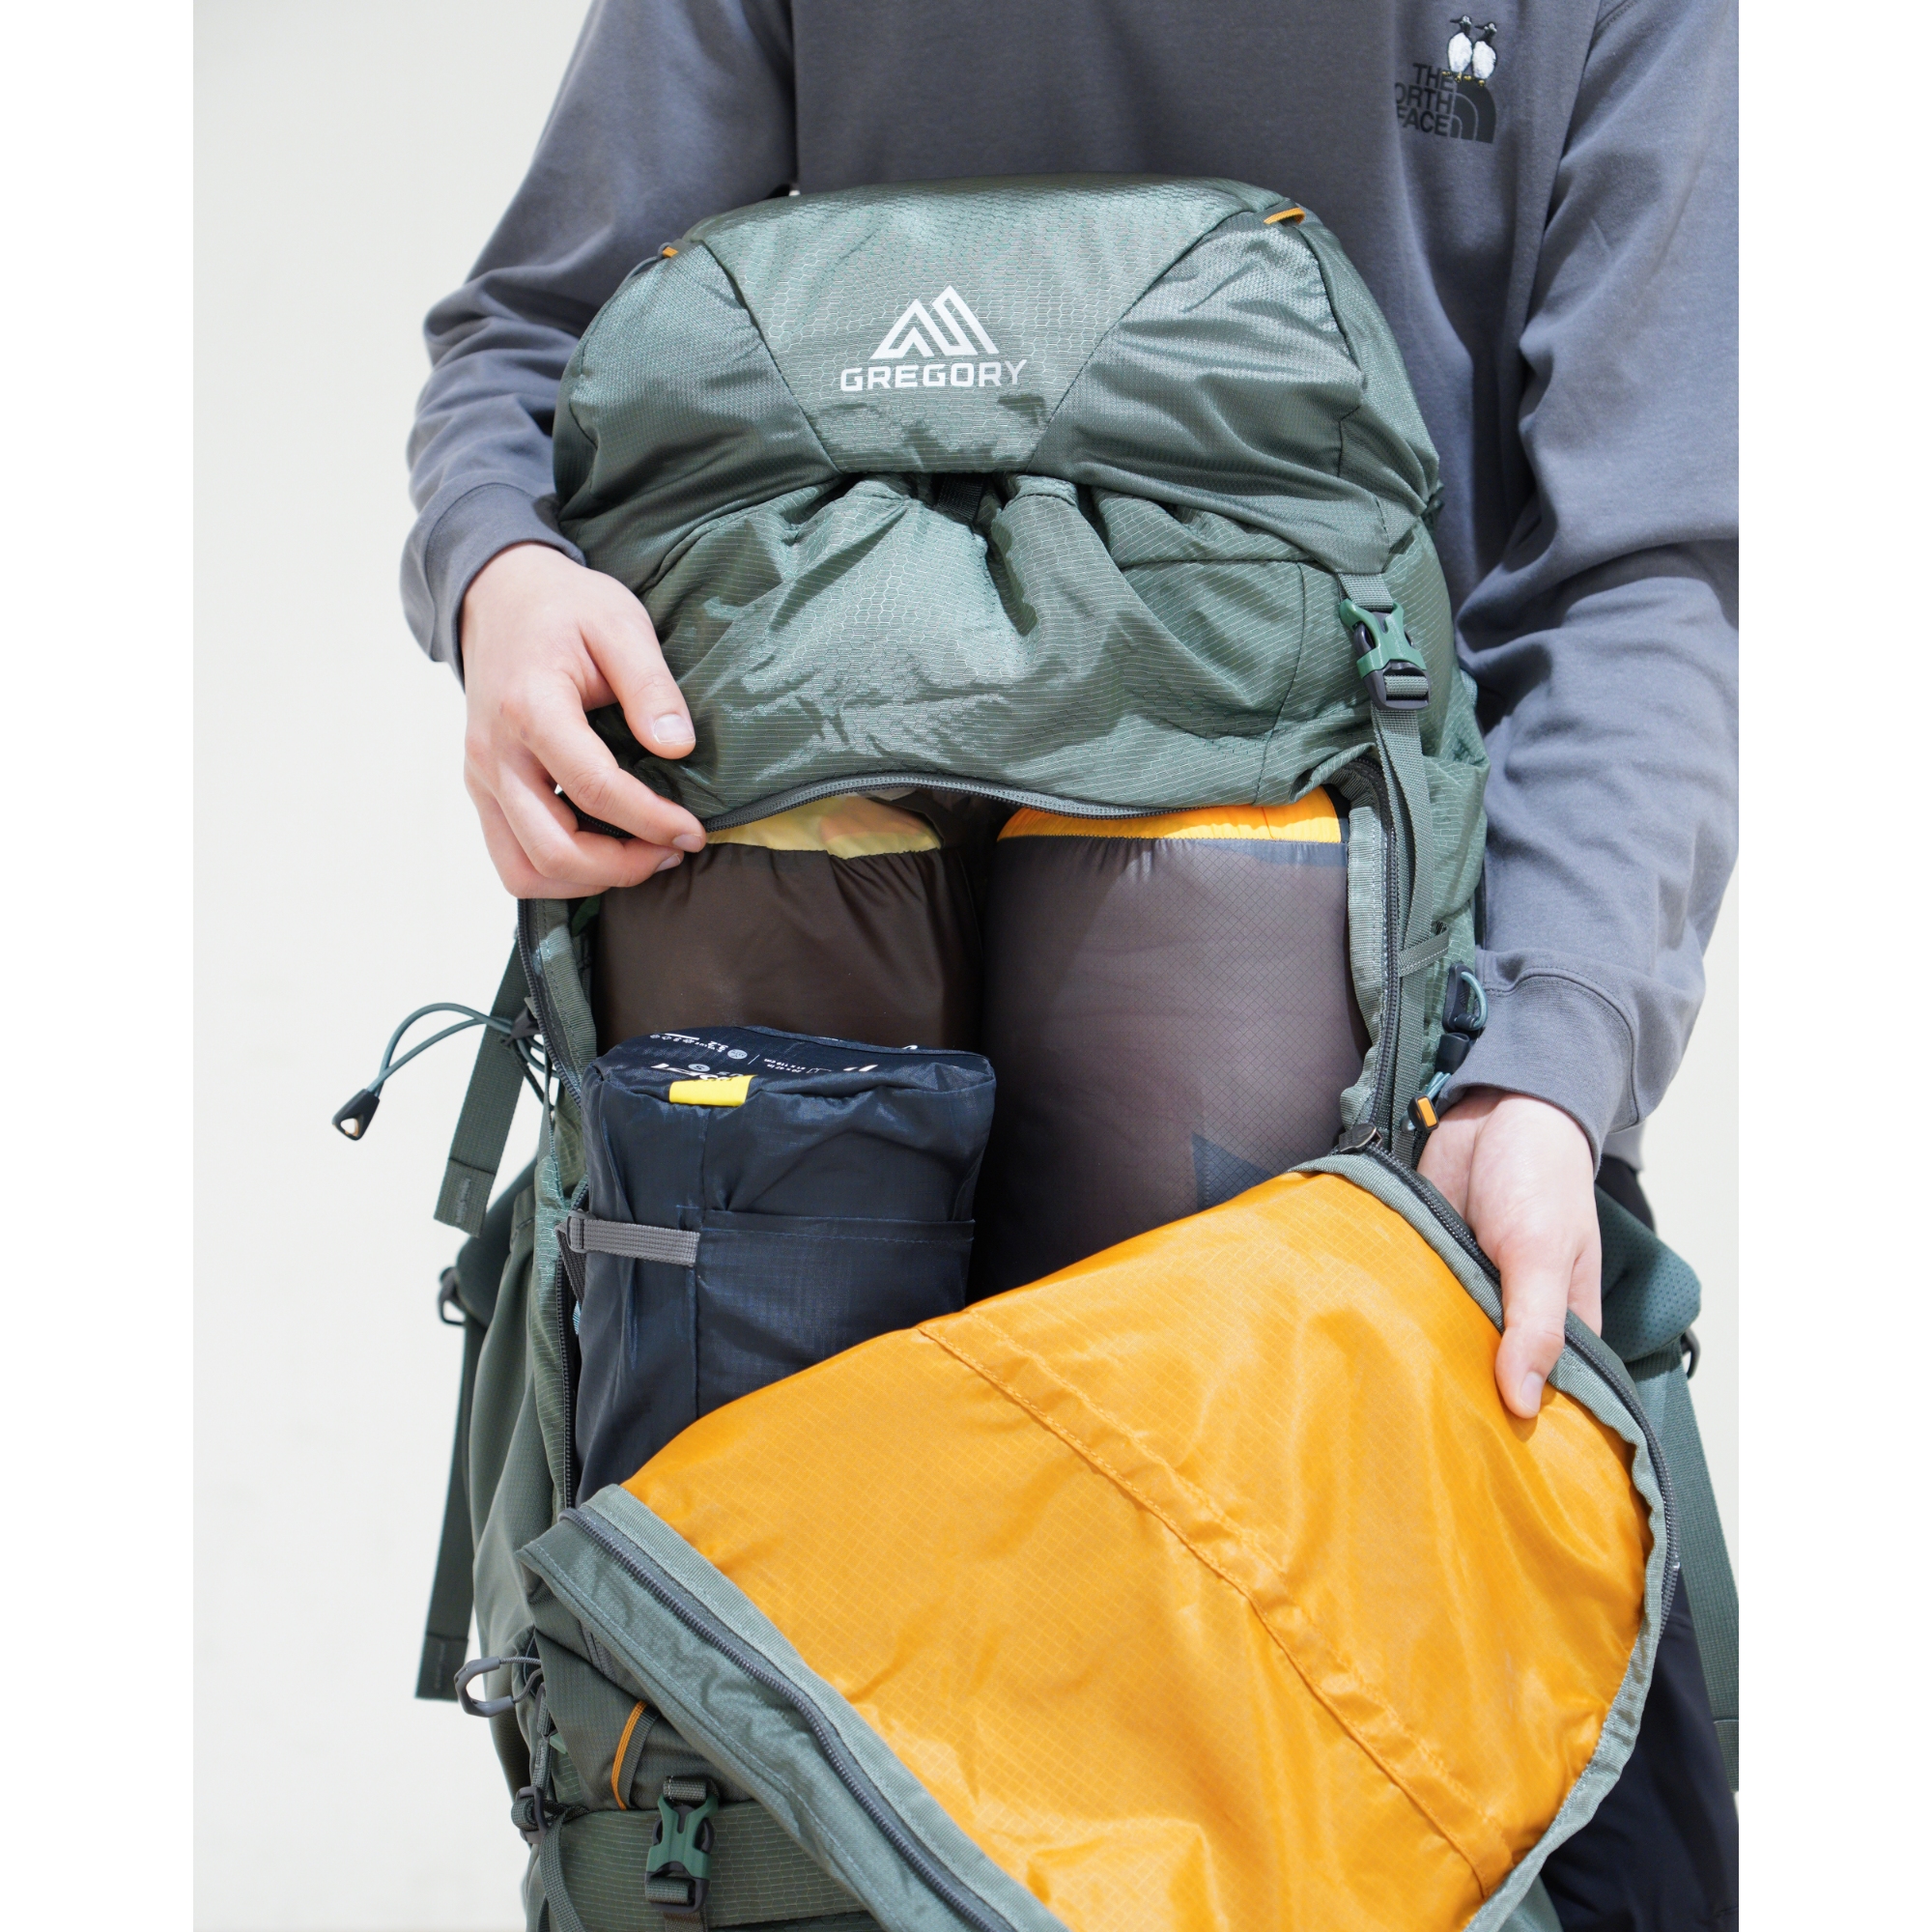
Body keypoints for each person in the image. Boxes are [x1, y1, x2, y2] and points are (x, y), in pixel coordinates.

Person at [402, 5, 1738, 1924]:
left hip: (1385, 1055)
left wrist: (1548, 1066)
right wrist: (501, 576)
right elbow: (537, 342)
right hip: (823, 974)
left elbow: (1641, 560)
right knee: (787, 1783)